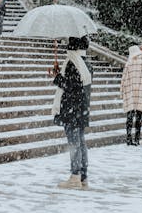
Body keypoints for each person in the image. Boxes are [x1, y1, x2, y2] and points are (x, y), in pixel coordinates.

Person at [52, 36, 93, 189]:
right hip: (81, 109)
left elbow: (70, 86)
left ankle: (75, 176)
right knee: (81, 143)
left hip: (71, 109)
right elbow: (78, 86)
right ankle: (83, 176)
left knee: (74, 144)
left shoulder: (72, 62)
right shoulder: (86, 63)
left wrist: (57, 78)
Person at [120, 45, 142, 146]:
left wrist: (122, 91)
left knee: (129, 116)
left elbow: (123, 79)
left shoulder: (129, 63)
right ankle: (136, 139)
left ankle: (128, 138)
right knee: (139, 116)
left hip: (130, 92)